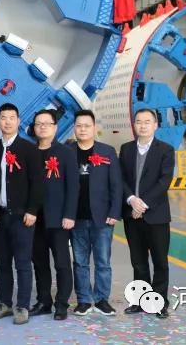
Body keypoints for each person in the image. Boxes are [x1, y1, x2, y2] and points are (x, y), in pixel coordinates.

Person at [0, 103, 43, 326]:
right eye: (3, 117)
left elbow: (37, 183)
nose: (7, 121)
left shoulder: (29, 149)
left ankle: (22, 306)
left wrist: (32, 210)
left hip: (22, 216)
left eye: (12, 117)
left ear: (18, 121)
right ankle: (5, 303)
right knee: (2, 262)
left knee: (22, 263)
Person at [120, 108, 175, 319]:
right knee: (138, 261)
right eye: (139, 122)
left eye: (147, 122)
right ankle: (140, 301)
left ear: (155, 125)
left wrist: (142, 204)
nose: (142, 126)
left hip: (156, 215)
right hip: (131, 215)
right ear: (134, 125)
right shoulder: (126, 149)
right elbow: (121, 179)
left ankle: (159, 303)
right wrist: (131, 200)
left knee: (160, 261)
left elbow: (164, 181)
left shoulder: (166, 150)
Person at [69, 109, 121, 317]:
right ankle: (83, 300)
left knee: (102, 262)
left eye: (87, 126)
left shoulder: (107, 151)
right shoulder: (67, 152)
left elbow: (116, 185)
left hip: (102, 218)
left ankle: (101, 300)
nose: (83, 129)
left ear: (94, 128)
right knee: (80, 262)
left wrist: (114, 212)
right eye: (79, 126)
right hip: (75, 218)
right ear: (74, 128)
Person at [28, 109, 78, 321]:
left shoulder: (65, 152)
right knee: (39, 263)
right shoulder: (29, 152)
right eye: (38, 124)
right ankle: (44, 301)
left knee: (62, 263)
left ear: (55, 127)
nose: (42, 127)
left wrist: (69, 215)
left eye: (47, 123)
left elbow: (73, 187)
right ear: (34, 128)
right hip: (34, 219)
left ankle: (62, 304)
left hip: (58, 219)